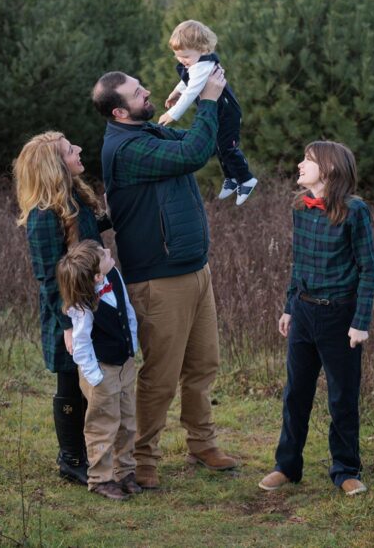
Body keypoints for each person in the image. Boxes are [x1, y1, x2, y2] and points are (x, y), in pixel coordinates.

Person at [92, 68, 240, 489]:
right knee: (160, 375)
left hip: (196, 269)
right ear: (121, 112)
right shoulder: (126, 149)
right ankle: (144, 459)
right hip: (159, 280)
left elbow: (199, 141)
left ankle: (202, 443)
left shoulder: (150, 135)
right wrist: (206, 101)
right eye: (139, 93)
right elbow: (193, 154)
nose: (149, 92)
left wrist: (194, 100)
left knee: (203, 365)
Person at [259, 141, 374, 496]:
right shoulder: (301, 207)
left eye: (307, 161)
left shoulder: (355, 211)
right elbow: (300, 263)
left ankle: (345, 470)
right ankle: (287, 466)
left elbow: (369, 270)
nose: (299, 165)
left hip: (340, 316)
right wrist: (289, 306)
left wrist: (361, 321)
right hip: (304, 312)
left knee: (342, 396)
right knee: (296, 392)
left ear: (328, 169)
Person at [13, 131, 109, 485]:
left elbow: (88, 235)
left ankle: (87, 449)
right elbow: (47, 276)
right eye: (71, 150)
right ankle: (70, 458)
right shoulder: (42, 216)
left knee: (86, 379)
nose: (79, 150)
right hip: (65, 311)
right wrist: (68, 325)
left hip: (90, 302)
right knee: (69, 379)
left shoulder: (73, 199)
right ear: (55, 165)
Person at [56, 240, 140, 501]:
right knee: (103, 425)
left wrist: (132, 346)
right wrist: (96, 378)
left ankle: (125, 470)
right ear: (96, 275)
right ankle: (101, 478)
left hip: (124, 364)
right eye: (103, 254)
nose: (108, 251)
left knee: (127, 420)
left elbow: (126, 310)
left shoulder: (113, 275)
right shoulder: (83, 306)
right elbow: (80, 346)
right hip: (102, 371)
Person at [157, 20, 256, 205]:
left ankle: (246, 179)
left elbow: (192, 90)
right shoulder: (196, 64)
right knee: (218, 146)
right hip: (218, 110)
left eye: (185, 56)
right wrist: (176, 92)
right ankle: (232, 178)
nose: (181, 60)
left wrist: (173, 114)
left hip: (227, 112)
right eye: (177, 56)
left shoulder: (203, 65)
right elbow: (188, 77)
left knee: (227, 147)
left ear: (202, 49)